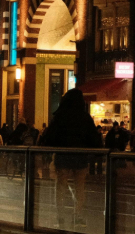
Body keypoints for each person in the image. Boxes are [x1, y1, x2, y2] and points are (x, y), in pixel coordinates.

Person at [39, 89, 97, 231]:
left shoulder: (60, 116)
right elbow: (95, 139)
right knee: (80, 187)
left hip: (63, 156)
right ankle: (77, 214)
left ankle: (61, 215)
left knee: (61, 186)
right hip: (80, 157)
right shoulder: (85, 117)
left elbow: (49, 137)